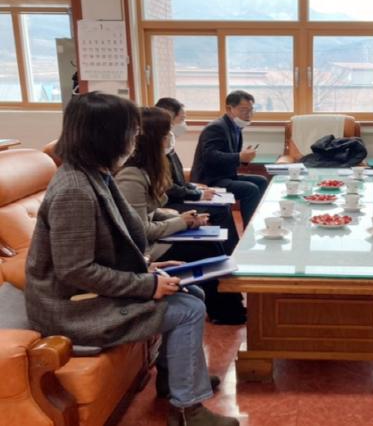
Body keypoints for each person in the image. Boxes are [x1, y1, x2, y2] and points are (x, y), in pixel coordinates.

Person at [24, 92, 238, 426]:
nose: (135, 140)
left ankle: (174, 381)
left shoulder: (95, 175)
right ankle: (187, 410)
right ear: (106, 135)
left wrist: (149, 268)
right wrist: (146, 285)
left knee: (192, 292)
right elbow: (75, 270)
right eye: (131, 132)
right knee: (188, 309)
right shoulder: (74, 191)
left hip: (87, 295)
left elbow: (111, 245)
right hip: (72, 308)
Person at [116, 107, 247, 326]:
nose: (170, 137)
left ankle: (231, 308)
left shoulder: (150, 168)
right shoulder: (131, 176)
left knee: (212, 241)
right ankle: (227, 312)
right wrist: (180, 222)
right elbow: (140, 231)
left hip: (155, 236)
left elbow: (150, 211)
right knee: (203, 249)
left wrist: (185, 218)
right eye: (166, 132)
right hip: (145, 249)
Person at [155, 97, 240, 256]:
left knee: (224, 206)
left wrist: (194, 187)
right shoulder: (156, 152)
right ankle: (230, 254)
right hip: (170, 203)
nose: (184, 124)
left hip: (177, 197)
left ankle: (232, 252)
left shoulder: (169, 147)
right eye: (182, 119)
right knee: (221, 211)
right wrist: (198, 194)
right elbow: (168, 188)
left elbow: (177, 181)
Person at [191, 90, 268, 226]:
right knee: (250, 189)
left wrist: (243, 158)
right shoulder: (216, 127)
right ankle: (250, 229)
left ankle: (255, 222)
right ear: (229, 109)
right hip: (210, 179)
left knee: (261, 181)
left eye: (251, 110)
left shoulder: (235, 127)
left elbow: (229, 156)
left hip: (225, 176)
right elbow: (210, 156)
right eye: (244, 110)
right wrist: (239, 157)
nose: (248, 114)